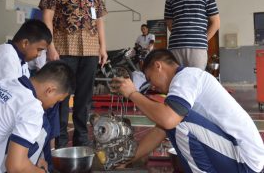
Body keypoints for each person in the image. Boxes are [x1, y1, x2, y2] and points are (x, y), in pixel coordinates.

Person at [112, 49, 264, 173]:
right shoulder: (185, 82)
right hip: (243, 158)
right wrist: (126, 160)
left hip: (244, 160)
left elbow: (169, 120)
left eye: (150, 78)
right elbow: (161, 129)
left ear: (158, 66)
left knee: (177, 121)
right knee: (173, 120)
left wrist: (133, 93)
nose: (152, 86)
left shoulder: (186, 77)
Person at [39, 0, 108, 148]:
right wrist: (50, 47)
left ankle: (81, 139)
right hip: (64, 48)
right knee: (61, 96)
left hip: (90, 49)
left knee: (84, 98)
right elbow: (47, 17)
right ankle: (60, 141)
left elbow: (99, 20)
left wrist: (102, 47)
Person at [0, 60, 76, 173]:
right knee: (44, 128)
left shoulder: (3, 83)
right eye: (57, 101)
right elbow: (15, 167)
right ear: (50, 90)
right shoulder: (32, 107)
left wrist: (32, 164)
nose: (53, 106)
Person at [164, 0, 220, 70]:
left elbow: (216, 23)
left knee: (195, 81)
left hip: (197, 47)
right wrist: (181, 35)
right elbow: (169, 21)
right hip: (175, 46)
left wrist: (202, 39)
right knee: (177, 80)